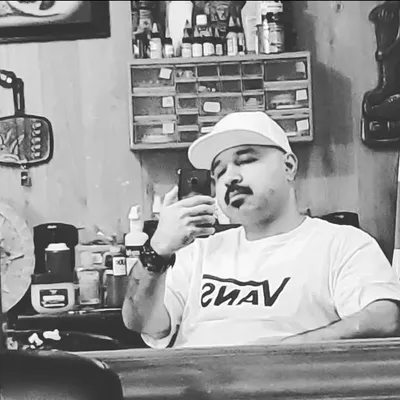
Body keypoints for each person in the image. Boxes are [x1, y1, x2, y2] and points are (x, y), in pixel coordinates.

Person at [122, 111, 400, 349]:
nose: (230, 177)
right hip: (194, 384)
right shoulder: (197, 252)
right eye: (219, 172)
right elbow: (141, 322)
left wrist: (281, 353)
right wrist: (156, 251)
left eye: (245, 160)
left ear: (288, 166)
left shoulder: (342, 243)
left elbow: (385, 318)